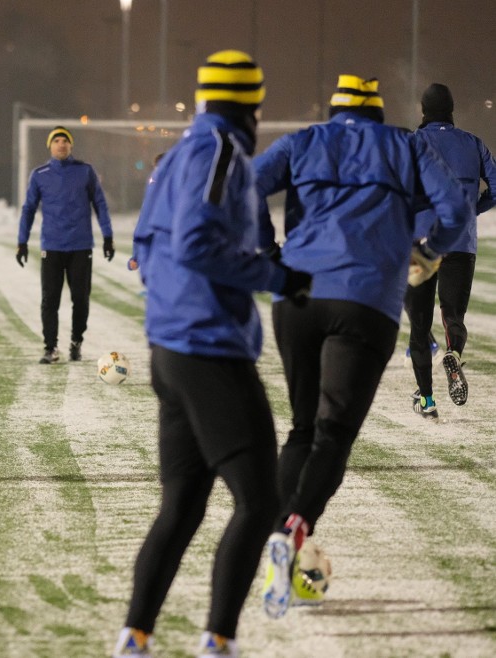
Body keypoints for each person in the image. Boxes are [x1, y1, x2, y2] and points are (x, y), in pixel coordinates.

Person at [112, 50, 312, 658]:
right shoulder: (222, 152)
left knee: (185, 505)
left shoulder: (177, 156)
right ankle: (218, 641)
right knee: (261, 501)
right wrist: (278, 277)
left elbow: (147, 243)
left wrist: (175, 301)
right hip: (207, 350)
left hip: (171, 348)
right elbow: (198, 243)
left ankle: (135, 636)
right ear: (250, 104)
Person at [253, 75, 472, 618]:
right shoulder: (406, 142)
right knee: (334, 434)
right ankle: (292, 529)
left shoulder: (304, 140)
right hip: (365, 298)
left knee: (302, 428)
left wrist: (269, 249)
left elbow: (243, 188)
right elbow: (457, 208)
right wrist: (427, 252)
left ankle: (278, 546)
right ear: (377, 113)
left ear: (332, 110)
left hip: (298, 295)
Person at [405, 83, 496, 419]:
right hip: (461, 243)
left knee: (418, 323)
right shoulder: (474, 143)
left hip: (421, 244)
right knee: (453, 315)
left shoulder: (413, 143)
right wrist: (473, 209)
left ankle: (426, 400)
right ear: (452, 109)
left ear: (423, 110)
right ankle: (454, 353)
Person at [16, 126, 114, 364]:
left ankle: (76, 342)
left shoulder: (85, 171)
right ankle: (50, 347)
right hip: (52, 245)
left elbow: (100, 204)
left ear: (71, 145)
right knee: (50, 299)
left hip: (80, 246)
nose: (61, 144)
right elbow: (28, 209)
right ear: (50, 146)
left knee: (80, 299)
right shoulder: (40, 174)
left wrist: (108, 236)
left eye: (65, 141)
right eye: (57, 140)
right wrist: (22, 241)